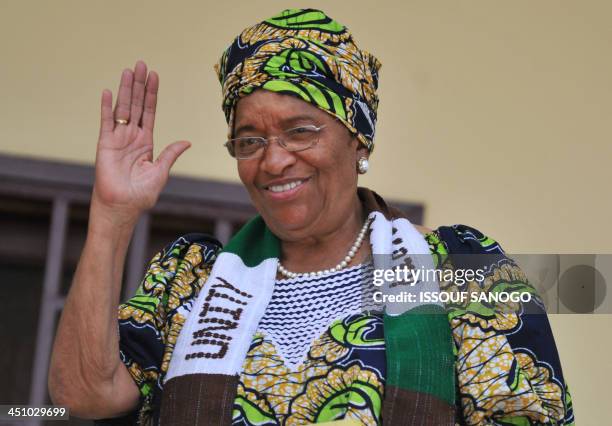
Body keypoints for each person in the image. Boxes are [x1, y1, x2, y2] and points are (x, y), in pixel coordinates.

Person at [48, 8, 574, 426]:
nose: (274, 161)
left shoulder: (457, 269)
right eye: (250, 140)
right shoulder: (193, 278)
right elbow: (82, 395)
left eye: (301, 131)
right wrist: (112, 216)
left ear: (358, 138)